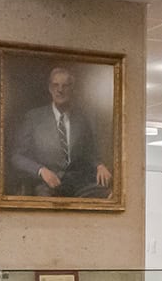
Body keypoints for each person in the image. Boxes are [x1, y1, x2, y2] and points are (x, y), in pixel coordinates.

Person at [10, 64, 111, 198]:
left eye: (65, 86)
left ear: (72, 89)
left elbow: (89, 153)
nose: (60, 90)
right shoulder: (34, 118)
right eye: (55, 85)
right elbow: (17, 157)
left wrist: (99, 165)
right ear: (50, 88)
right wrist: (41, 170)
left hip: (79, 184)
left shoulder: (82, 119)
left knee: (110, 197)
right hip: (47, 185)